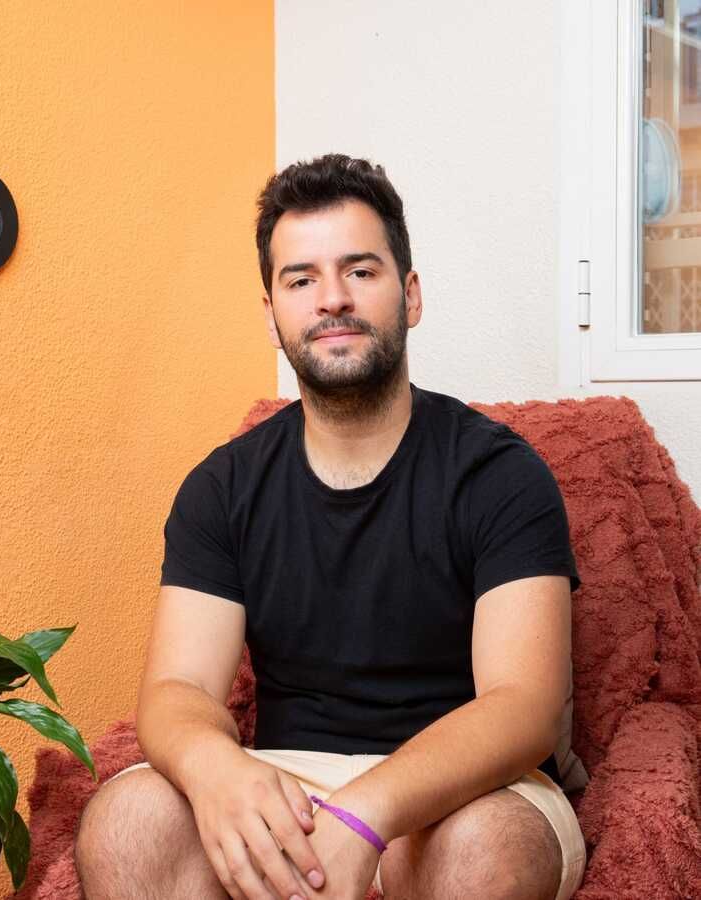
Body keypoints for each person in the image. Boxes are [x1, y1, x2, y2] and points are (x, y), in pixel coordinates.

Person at [75, 154, 588, 900]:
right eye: (301, 279)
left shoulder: (501, 475)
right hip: (288, 773)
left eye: (361, 271)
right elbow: (179, 686)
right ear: (272, 314)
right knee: (128, 817)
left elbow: (523, 708)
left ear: (410, 295)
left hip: (467, 790)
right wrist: (221, 773)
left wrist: (369, 813)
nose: (332, 300)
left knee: (483, 848)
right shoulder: (221, 487)